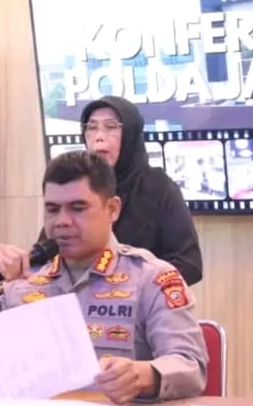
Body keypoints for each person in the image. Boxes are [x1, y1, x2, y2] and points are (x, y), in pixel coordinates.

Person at [0, 150, 207, 404]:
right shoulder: (21, 282)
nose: (62, 221)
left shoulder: (152, 278)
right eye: (52, 209)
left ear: (112, 209)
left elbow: (191, 365)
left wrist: (142, 375)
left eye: (78, 208)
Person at [42, 96, 202, 285]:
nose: (99, 136)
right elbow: (46, 258)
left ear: (130, 134)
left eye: (111, 127)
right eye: (91, 128)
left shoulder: (158, 187)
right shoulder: (76, 186)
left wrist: (126, 287)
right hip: (75, 298)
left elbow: (189, 264)